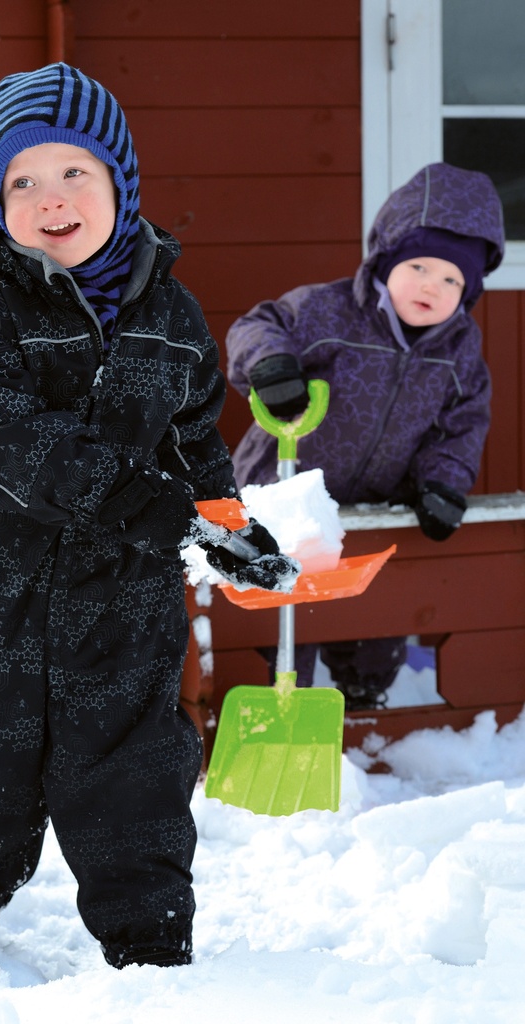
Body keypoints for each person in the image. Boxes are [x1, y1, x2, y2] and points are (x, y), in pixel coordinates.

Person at [0, 62, 296, 969]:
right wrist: (128, 496)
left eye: (73, 172)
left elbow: (196, 443)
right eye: (21, 182)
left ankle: (151, 952)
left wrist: (225, 527)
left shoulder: (175, 320)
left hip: (121, 604)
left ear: (120, 180)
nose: (50, 199)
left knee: (131, 776)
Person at [226, 162, 505, 710]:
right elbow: (255, 327)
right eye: (420, 266)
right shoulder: (328, 309)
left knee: (375, 625)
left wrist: (443, 485)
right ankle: (277, 707)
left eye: (453, 280)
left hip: (375, 509)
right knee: (279, 623)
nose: (433, 285)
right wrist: (272, 366)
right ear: (385, 261)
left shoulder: (459, 353)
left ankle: (365, 708)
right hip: (281, 495)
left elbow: (460, 425)